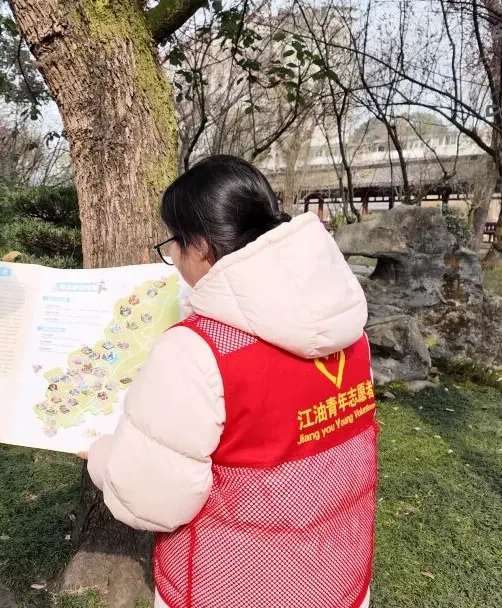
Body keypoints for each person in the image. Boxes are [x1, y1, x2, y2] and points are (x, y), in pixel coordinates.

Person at [84, 156, 376, 608]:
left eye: (173, 243)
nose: (173, 258)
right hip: (337, 579)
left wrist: (103, 456)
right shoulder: (351, 333)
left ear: (200, 245)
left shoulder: (196, 350)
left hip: (230, 585)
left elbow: (153, 497)